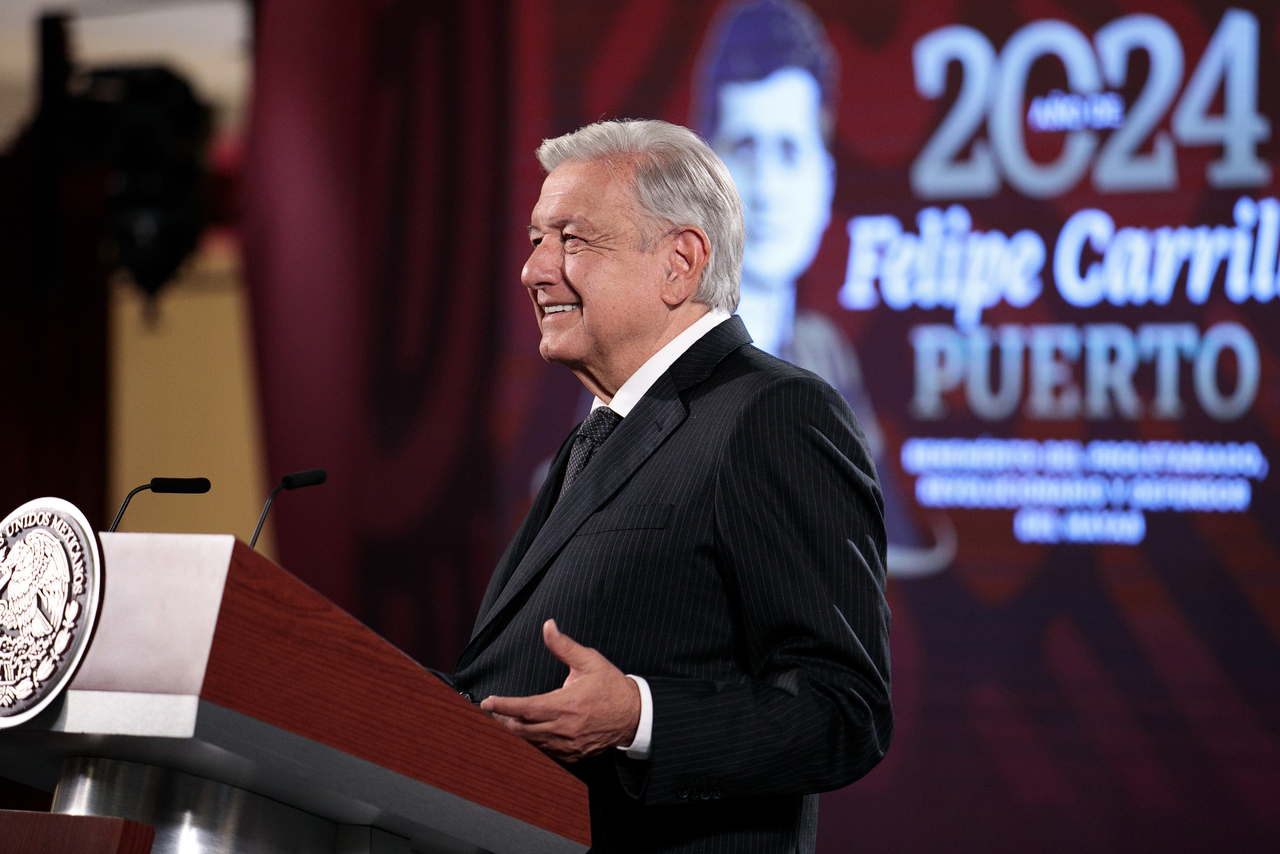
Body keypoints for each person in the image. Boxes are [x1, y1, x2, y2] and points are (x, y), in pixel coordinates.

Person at [451, 119, 891, 853]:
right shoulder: (601, 432)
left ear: (679, 264)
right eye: (535, 239)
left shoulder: (773, 414)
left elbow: (844, 709)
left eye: (572, 240)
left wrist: (640, 718)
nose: (533, 270)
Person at [696, 0, 955, 577]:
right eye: (744, 149)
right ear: (700, 173)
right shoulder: (643, 360)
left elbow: (896, 548)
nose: (766, 188)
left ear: (825, 180)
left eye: (790, 151)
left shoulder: (824, 356)